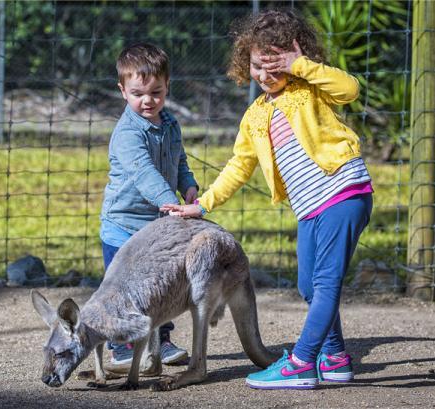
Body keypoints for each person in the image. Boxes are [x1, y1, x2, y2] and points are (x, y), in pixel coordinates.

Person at [161, 9, 373, 390]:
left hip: (343, 191)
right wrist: (203, 205)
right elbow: (238, 167)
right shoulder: (254, 115)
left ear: (295, 57)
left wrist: (302, 65)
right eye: (259, 65)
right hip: (310, 209)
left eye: (276, 65)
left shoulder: (309, 88)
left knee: (325, 284)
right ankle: (336, 357)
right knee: (308, 286)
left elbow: (351, 89)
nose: (265, 74)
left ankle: (301, 363)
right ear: (248, 62)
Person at [100, 43, 198, 371]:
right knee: (123, 291)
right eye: (138, 93)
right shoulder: (127, 133)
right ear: (122, 90)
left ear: (168, 86)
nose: (148, 100)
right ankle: (120, 347)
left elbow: (179, 159)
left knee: (159, 287)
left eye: (156, 92)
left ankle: (161, 340)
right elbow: (144, 173)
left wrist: (188, 186)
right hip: (123, 226)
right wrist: (170, 203)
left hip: (157, 227)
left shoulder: (170, 123)